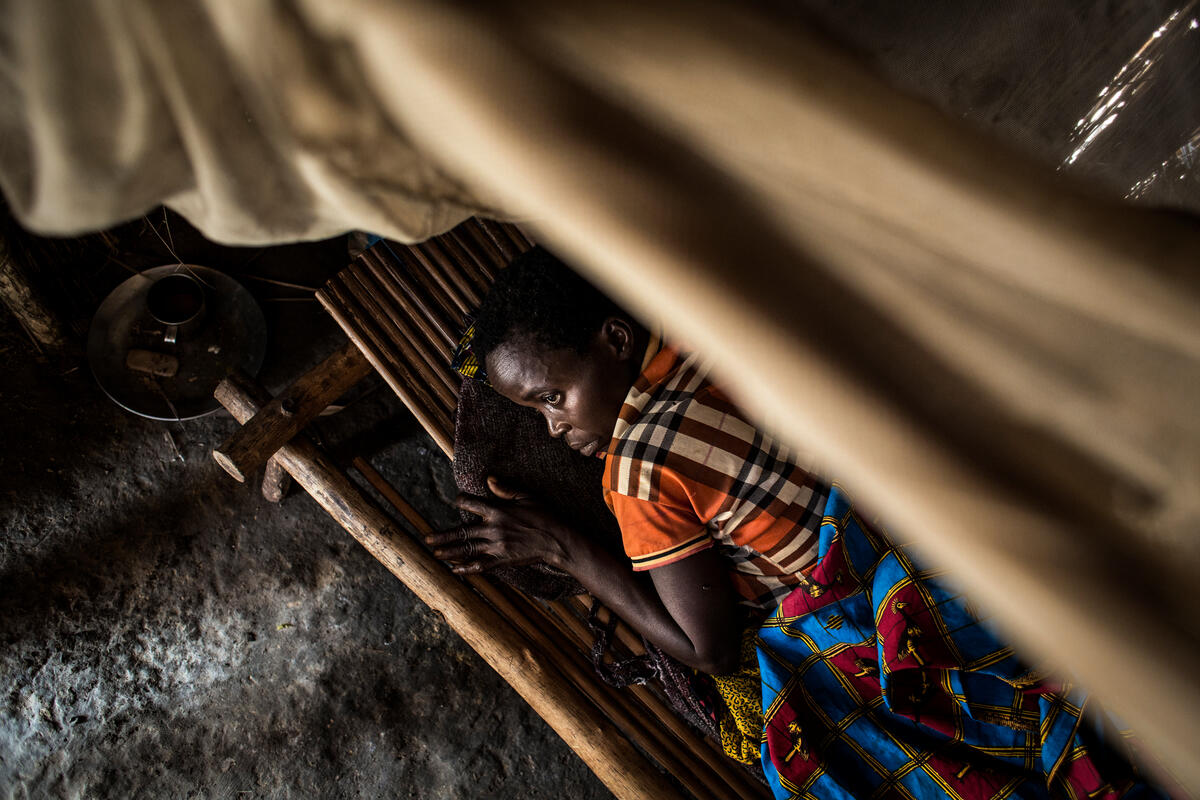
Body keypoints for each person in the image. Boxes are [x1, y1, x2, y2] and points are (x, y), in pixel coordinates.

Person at [426, 247, 1173, 800]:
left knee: (823, 731)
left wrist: (565, 548)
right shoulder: (712, 339)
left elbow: (707, 648)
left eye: (551, 398)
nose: (554, 429)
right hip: (930, 523)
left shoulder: (637, 473)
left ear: (614, 342)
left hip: (873, 599)